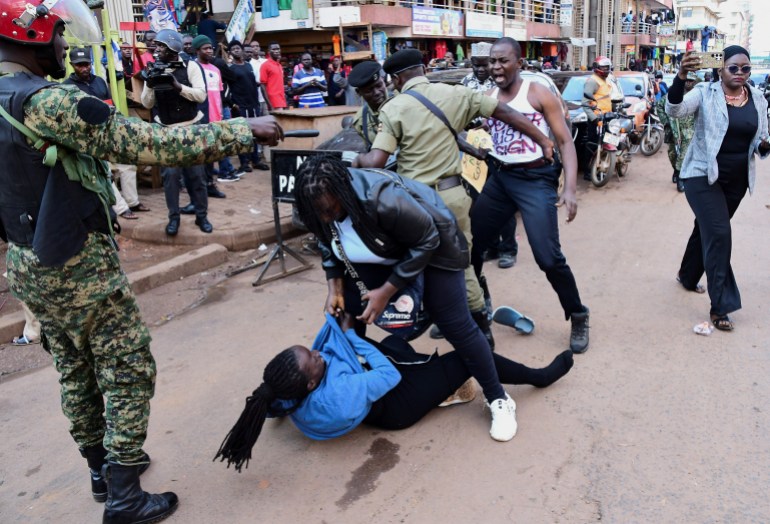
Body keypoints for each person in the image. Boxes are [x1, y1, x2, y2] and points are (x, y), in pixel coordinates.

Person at [0, 0, 282, 521]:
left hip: (28, 262)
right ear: (32, 38)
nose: (68, 48)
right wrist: (243, 131)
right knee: (127, 368)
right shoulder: (43, 101)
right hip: (76, 264)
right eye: (61, 37)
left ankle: (99, 471)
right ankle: (126, 494)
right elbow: (142, 142)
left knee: (75, 369)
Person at [290, 155, 520, 441]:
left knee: (455, 325)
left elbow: (428, 238)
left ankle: (499, 398)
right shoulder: (319, 207)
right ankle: (351, 379)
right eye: (316, 214)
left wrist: (386, 292)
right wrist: (334, 288)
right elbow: (328, 243)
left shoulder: (381, 198)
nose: (323, 218)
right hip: (381, 252)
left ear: (342, 191)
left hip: (434, 249)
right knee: (344, 312)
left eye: (327, 210)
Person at [352, 48, 555, 350]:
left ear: (395, 78)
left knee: (417, 260)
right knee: (462, 265)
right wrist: (543, 139)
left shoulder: (394, 109)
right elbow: (506, 113)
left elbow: (376, 162)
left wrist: (357, 161)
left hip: (414, 202)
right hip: (452, 197)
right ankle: (481, 328)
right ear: (423, 68)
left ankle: (431, 316)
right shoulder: (456, 94)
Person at [214, 313, 574, 471]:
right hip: (397, 404)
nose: (318, 351)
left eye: (310, 349)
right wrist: (352, 337)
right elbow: (387, 376)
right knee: (468, 357)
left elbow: (273, 398)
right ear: (311, 384)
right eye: (314, 358)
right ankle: (537, 377)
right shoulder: (335, 396)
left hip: (373, 393)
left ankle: (441, 385)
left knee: (391, 342)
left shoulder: (281, 392)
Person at [470, 37, 589, 354]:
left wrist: (571, 188)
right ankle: (478, 303)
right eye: (493, 61)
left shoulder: (537, 93)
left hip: (535, 179)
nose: (496, 66)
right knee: (470, 247)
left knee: (548, 257)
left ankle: (578, 313)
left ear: (518, 63)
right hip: (500, 178)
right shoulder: (488, 96)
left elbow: (564, 141)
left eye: (503, 60)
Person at [666, 46, 770, 331]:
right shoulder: (705, 92)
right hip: (702, 175)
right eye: (733, 68)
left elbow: (761, 138)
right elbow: (674, 110)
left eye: (745, 68)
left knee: (707, 229)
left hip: (736, 181)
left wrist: (764, 145)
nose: (739, 73)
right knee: (720, 233)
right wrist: (681, 75)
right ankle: (721, 306)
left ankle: (687, 276)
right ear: (721, 68)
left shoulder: (757, 98)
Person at [141, 29, 213, 236]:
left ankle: (202, 216)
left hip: (190, 128)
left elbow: (200, 95)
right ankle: (174, 219)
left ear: (173, 47)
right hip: (166, 131)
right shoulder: (155, 67)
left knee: (197, 176)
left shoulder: (191, 66)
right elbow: (147, 103)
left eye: (161, 46)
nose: (157, 50)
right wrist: (150, 83)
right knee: (170, 178)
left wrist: (177, 86)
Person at [461, 42, 518, 270]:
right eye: (476, 65)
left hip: (499, 151)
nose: (481, 69)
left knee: (504, 202)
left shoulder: (502, 82)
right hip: (473, 151)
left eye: (485, 65)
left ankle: (508, 249)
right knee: (481, 203)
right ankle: (492, 247)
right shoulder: (466, 83)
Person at [228, 40, 269, 173]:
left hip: (253, 105)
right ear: (230, 52)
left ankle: (256, 160)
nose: (237, 50)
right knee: (241, 135)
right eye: (233, 49)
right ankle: (244, 163)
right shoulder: (230, 69)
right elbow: (226, 89)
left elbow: (253, 83)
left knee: (254, 134)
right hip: (240, 107)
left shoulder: (249, 66)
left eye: (238, 48)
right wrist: (233, 104)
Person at [658, 72, 697, 192]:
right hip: (674, 130)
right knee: (672, 154)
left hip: (689, 130)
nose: (689, 83)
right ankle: (676, 171)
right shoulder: (673, 94)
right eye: (687, 80)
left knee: (683, 155)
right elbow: (659, 106)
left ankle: (680, 178)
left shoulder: (696, 96)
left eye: (691, 81)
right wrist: (666, 122)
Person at [582, 56, 615, 177]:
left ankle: (605, 166)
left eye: (607, 67)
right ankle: (587, 171)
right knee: (592, 144)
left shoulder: (604, 80)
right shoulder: (592, 81)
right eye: (603, 67)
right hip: (596, 119)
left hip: (606, 117)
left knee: (608, 142)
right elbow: (585, 104)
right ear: (596, 67)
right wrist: (594, 119)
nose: (606, 69)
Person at [348, 61, 390, 151]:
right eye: (369, 91)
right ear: (359, 93)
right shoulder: (360, 120)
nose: (377, 92)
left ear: (383, 80)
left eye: (379, 85)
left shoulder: (402, 104)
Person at [261, 42, 287, 110]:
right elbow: (263, 86)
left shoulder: (279, 65)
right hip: (273, 103)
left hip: (281, 101)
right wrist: (270, 105)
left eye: (278, 49)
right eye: (274, 49)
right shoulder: (265, 65)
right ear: (269, 52)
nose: (277, 51)